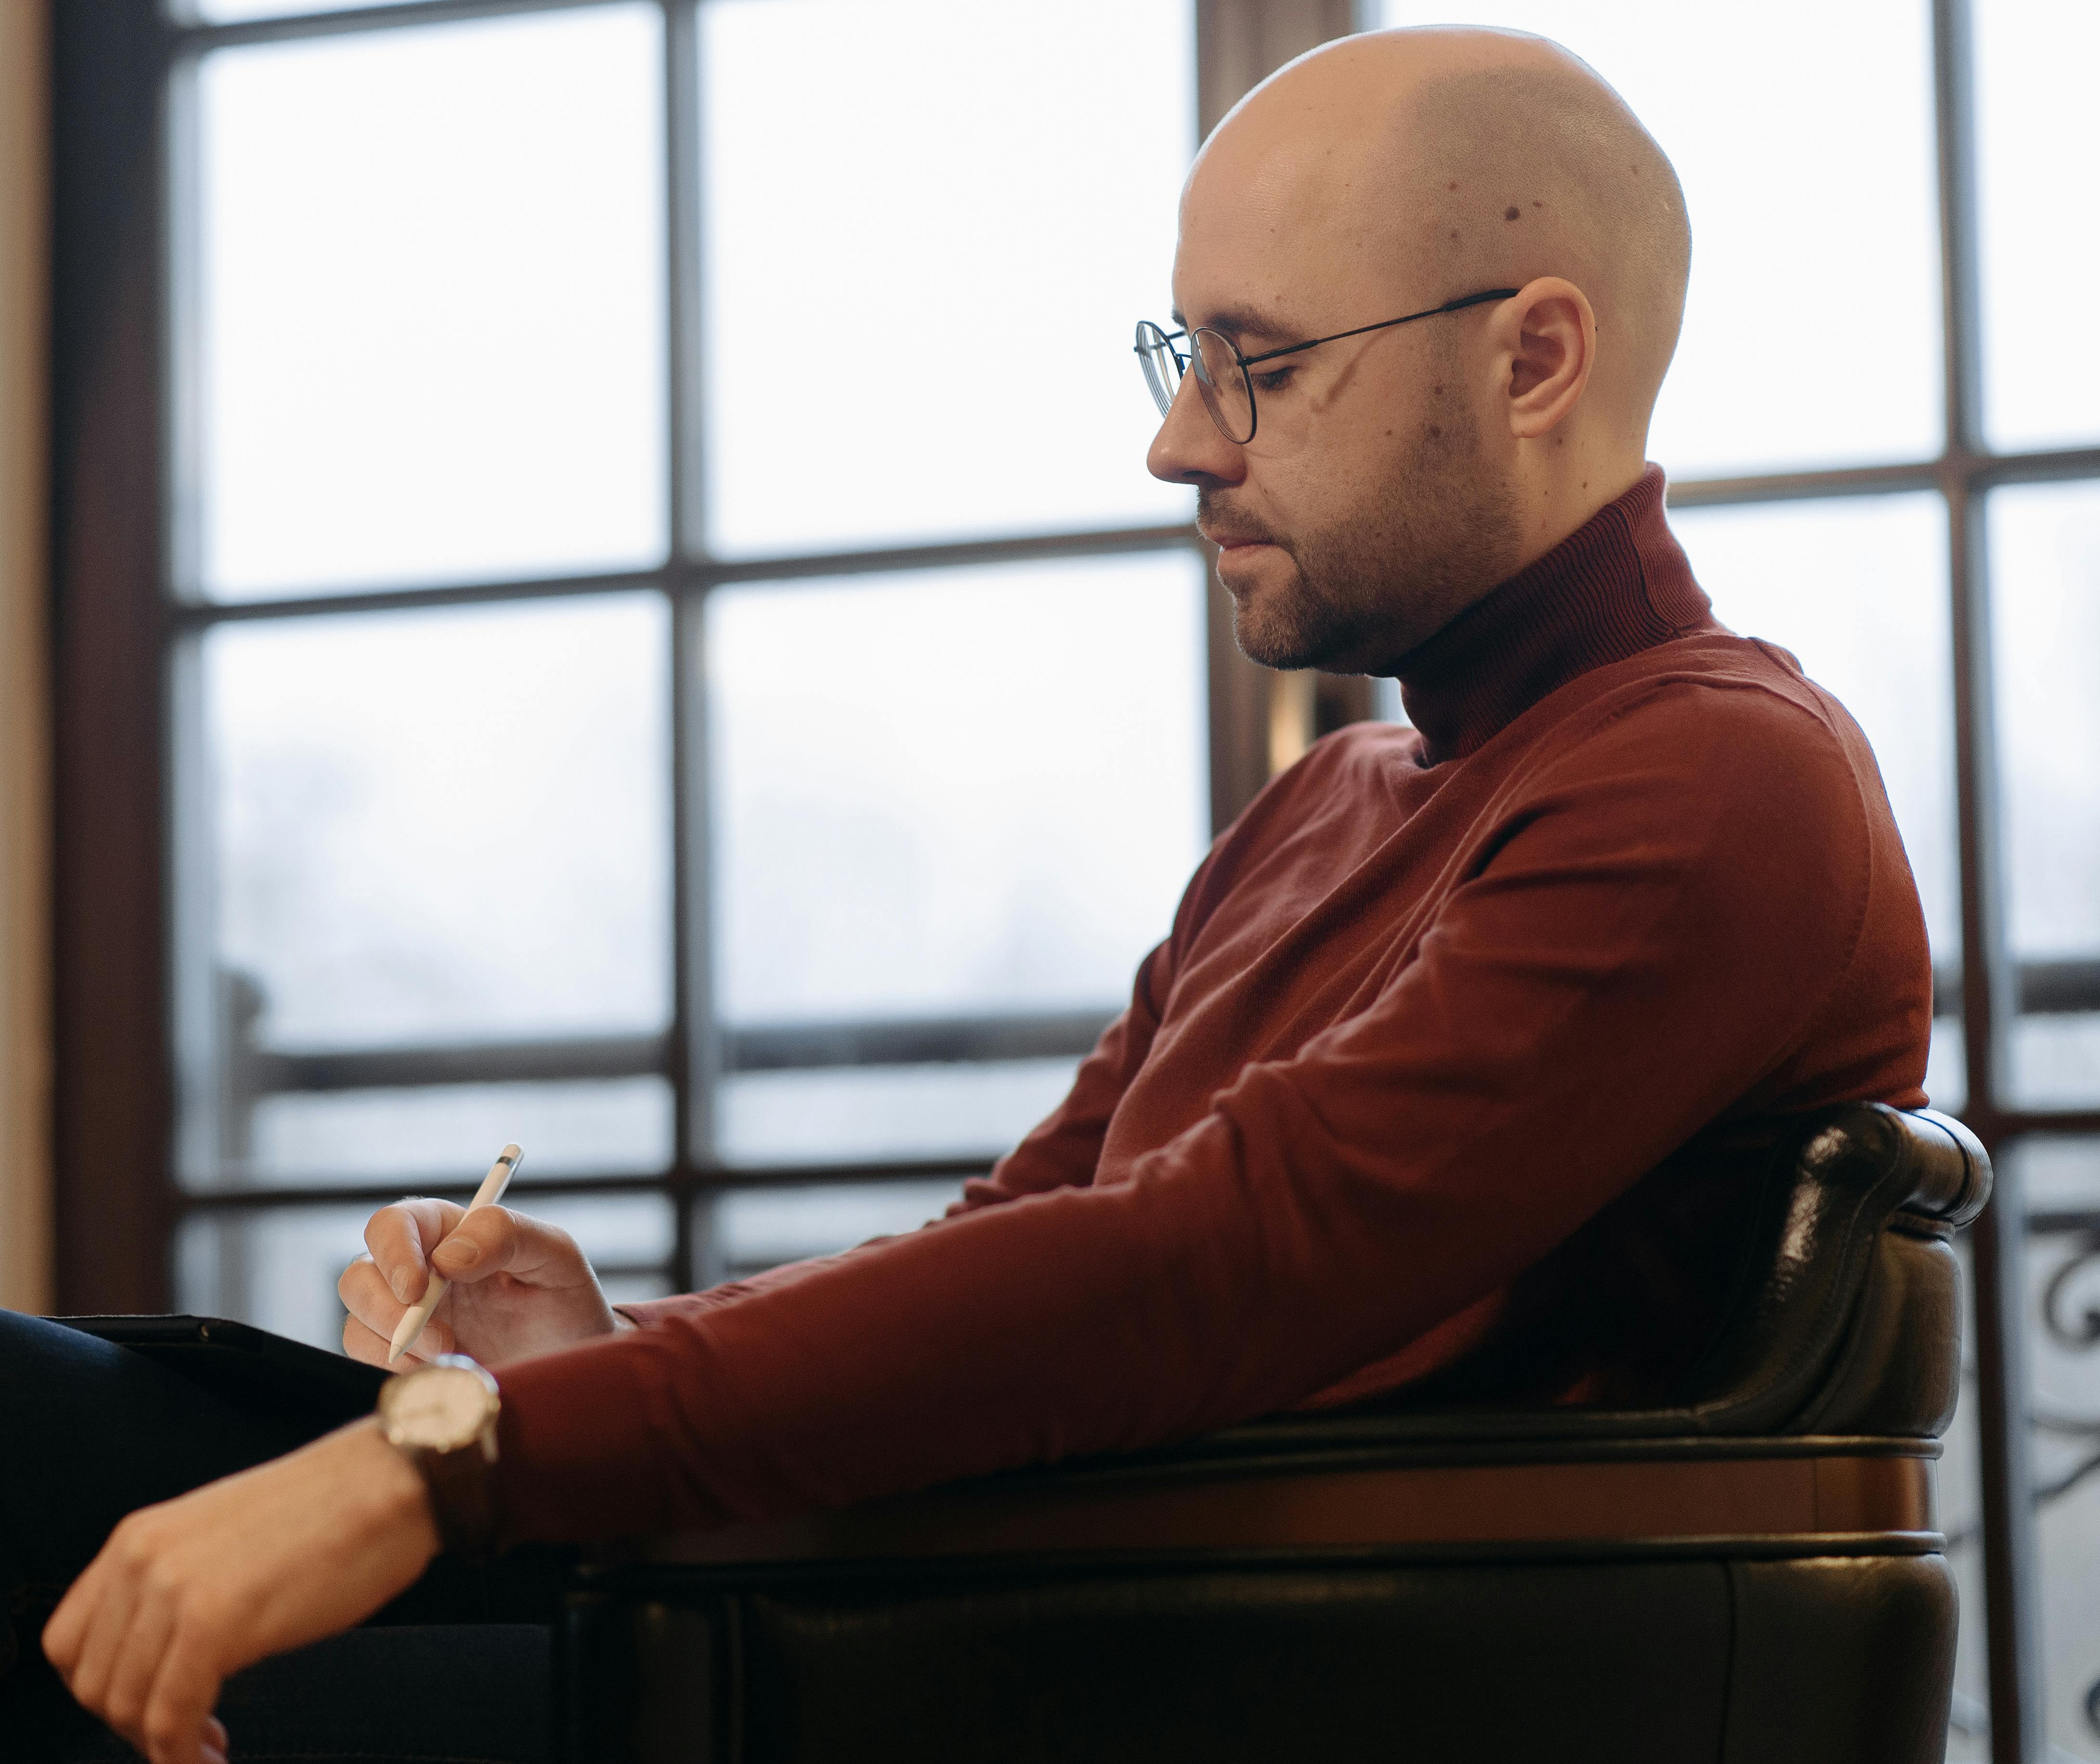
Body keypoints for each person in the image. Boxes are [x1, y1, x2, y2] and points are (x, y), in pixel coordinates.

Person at [13, 23, 1932, 1764]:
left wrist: (466, 1454)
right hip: (939, 1588)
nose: (1177, 439)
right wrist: (602, 1362)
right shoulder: (1339, 794)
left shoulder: (1712, 781)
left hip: (1096, 1659)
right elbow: (1030, 1225)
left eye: (1254, 365)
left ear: (1530, 356)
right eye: (1181, 359)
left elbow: (1204, 1264)